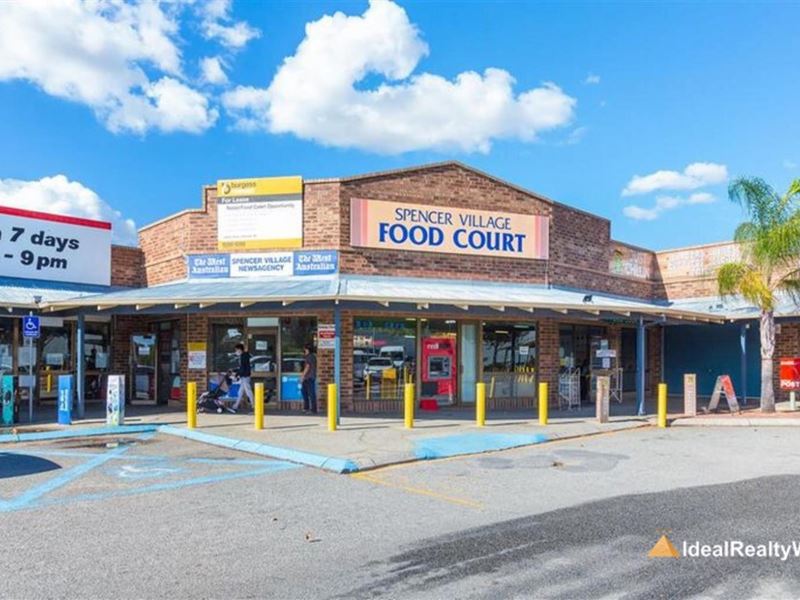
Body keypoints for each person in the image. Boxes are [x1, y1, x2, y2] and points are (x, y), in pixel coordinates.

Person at [229, 343, 253, 413]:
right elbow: (242, 367)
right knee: (240, 392)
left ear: (240, 349)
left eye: (236, 350)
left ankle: (254, 406)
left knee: (248, 392)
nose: (236, 351)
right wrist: (235, 370)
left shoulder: (243, 357)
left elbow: (243, 368)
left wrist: (236, 374)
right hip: (244, 376)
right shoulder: (244, 356)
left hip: (245, 376)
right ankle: (235, 406)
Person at [301, 343, 317, 414]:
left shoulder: (309, 357)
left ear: (307, 349)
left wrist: (302, 376)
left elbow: (307, 367)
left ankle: (313, 409)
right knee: (305, 393)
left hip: (309, 378)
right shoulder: (312, 356)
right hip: (309, 377)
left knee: (310, 394)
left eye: (304, 349)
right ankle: (306, 408)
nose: (304, 350)